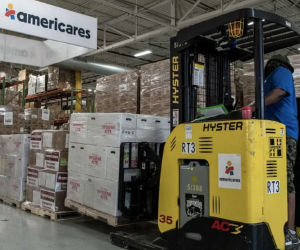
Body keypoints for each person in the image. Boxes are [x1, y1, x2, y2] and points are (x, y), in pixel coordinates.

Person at [264, 54, 299, 246]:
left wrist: (256, 106)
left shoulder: (281, 71)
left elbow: (279, 92)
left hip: (283, 134)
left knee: (286, 180)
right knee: (273, 179)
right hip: (271, 134)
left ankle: (291, 233)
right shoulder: (270, 78)